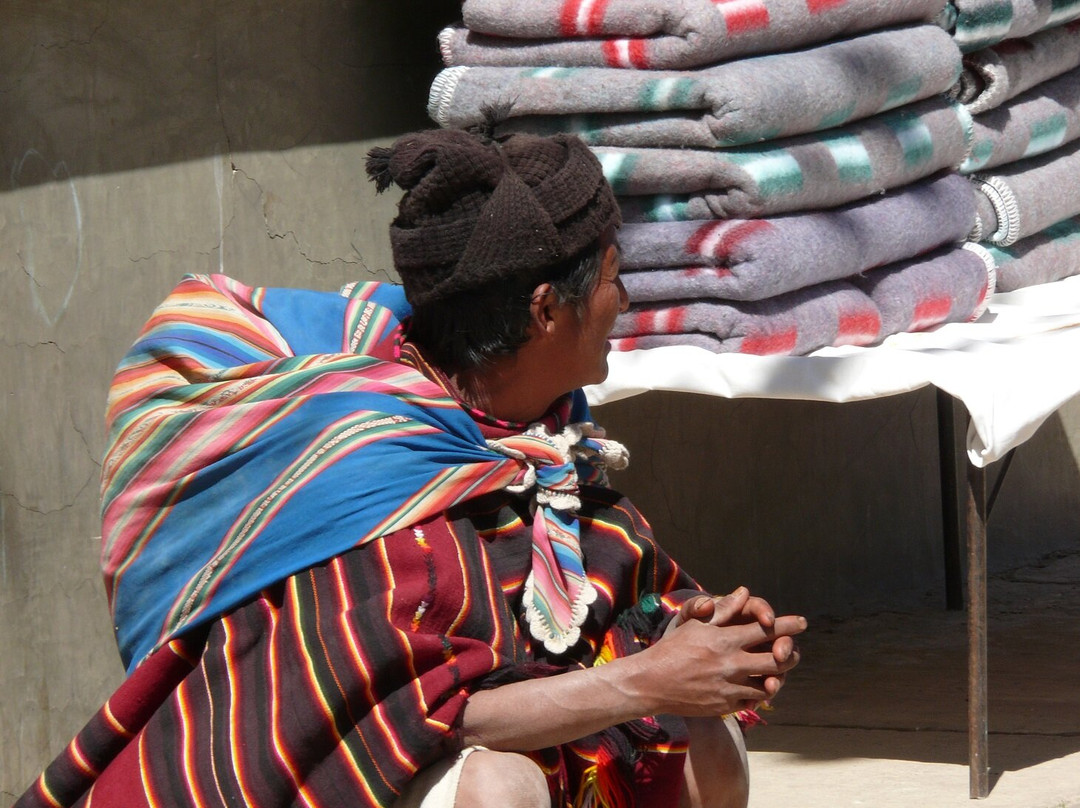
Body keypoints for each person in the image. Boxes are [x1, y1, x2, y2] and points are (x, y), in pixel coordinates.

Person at [15, 128, 804, 808]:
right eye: (607, 278)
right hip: (331, 780)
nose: (623, 299)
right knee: (501, 787)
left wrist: (704, 653)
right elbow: (416, 712)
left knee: (712, 739)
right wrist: (648, 683)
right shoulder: (369, 474)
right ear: (544, 309)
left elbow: (632, 642)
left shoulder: (549, 449)